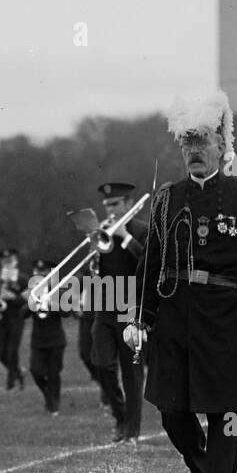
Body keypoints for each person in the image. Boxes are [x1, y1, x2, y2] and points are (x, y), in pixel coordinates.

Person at [125, 90, 237, 473]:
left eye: (204, 142)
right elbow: (152, 266)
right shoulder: (166, 199)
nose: (195, 151)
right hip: (175, 321)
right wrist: (142, 319)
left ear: (221, 146)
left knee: (225, 413)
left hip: (229, 320)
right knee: (172, 412)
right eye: (187, 144)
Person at [89, 181, 148, 444]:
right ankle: (120, 415)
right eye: (106, 206)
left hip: (132, 310)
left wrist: (125, 237)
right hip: (105, 308)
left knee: (132, 374)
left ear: (128, 204)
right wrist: (92, 260)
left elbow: (148, 264)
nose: (110, 210)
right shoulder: (101, 235)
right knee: (101, 364)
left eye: (114, 204)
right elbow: (91, 274)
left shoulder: (143, 230)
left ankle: (132, 430)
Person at [26, 257, 66, 414]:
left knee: (53, 373)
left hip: (56, 339)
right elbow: (23, 314)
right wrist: (31, 303)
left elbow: (67, 312)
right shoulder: (33, 291)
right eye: (37, 272)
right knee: (35, 371)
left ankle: (54, 405)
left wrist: (51, 303)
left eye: (43, 272)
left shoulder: (59, 290)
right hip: (38, 340)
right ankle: (49, 396)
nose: (40, 275)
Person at [0, 248, 28, 390]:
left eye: (9, 261)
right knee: (2, 354)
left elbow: (27, 299)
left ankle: (11, 383)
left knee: (12, 352)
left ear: (15, 261)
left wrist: (13, 297)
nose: (7, 264)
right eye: (4, 261)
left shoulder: (23, 279)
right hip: (3, 319)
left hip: (17, 318)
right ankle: (19, 372)